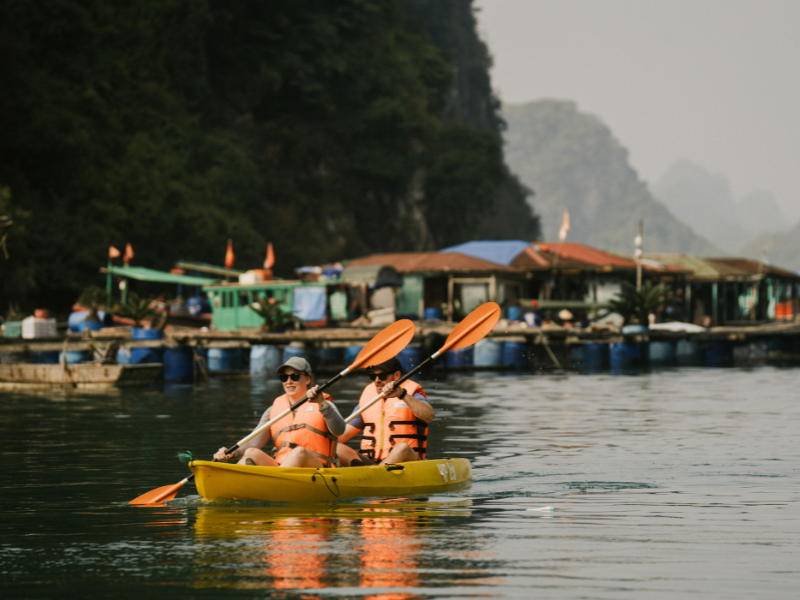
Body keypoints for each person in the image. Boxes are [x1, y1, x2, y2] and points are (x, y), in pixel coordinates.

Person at [214, 357, 345, 468]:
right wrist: (232, 453)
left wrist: (322, 403)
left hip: (318, 470)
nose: (288, 382)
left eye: (294, 376)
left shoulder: (324, 404)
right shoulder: (273, 410)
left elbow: (339, 430)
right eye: (284, 377)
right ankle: (231, 480)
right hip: (281, 468)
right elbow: (253, 442)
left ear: (307, 379)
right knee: (252, 452)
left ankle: (276, 482)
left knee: (299, 452)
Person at [337, 357, 434, 466]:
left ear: (396, 376)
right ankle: (373, 474)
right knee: (337, 448)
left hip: (407, 462)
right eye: (373, 376)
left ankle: (375, 475)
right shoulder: (368, 398)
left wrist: (402, 395)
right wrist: (323, 405)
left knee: (402, 448)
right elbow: (342, 435)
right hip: (371, 463)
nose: (377, 380)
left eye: (382, 376)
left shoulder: (411, 393)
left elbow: (429, 416)